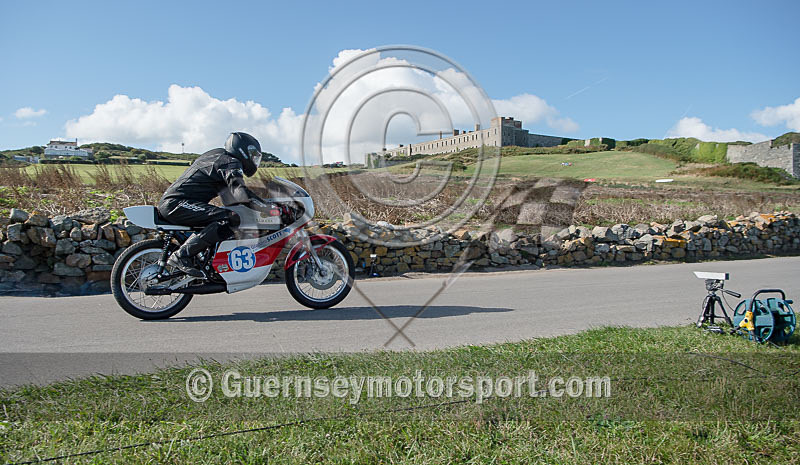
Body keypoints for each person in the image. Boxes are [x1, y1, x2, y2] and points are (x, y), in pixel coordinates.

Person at [157, 132, 268, 277]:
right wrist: (267, 208)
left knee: (229, 216)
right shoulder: (230, 162)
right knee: (230, 219)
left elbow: (232, 198)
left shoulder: (218, 157)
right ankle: (181, 256)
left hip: (175, 203)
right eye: (253, 154)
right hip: (177, 203)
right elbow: (240, 192)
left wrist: (257, 207)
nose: (254, 160)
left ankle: (202, 261)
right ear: (242, 149)